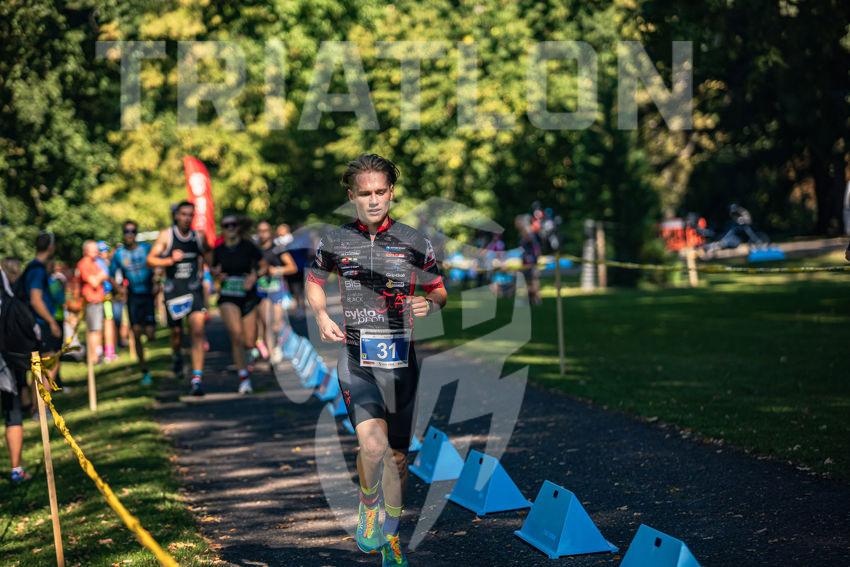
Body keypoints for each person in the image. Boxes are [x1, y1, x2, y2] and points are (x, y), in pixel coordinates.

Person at [306, 154, 447, 566]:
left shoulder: (413, 241)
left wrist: (429, 303)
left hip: (402, 363)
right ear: (352, 195)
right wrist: (321, 315)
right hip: (357, 358)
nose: (373, 200)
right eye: (365, 193)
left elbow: (439, 291)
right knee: (372, 446)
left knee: (398, 459)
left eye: (380, 192)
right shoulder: (336, 240)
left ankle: (392, 538)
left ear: (391, 193)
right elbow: (313, 281)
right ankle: (369, 504)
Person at [148, 201, 208, 395]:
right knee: (176, 333)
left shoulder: (198, 237)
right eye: (183, 214)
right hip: (174, 292)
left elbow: (210, 256)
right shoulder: (167, 235)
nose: (187, 218)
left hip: (194, 290)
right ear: (176, 216)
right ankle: (177, 356)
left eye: (190, 214)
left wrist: (214, 269)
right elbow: (150, 259)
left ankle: (197, 380)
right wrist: (169, 260)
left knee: (197, 332)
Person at [210, 214, 265, 394]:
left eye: (233, 224)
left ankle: (249, 355)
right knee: (236, 336)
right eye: (226, 225)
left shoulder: (248, 246)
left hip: (247, 295)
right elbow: (213, 269)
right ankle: (244, 379)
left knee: (249, 341)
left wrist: (254, 276)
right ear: (222, 229)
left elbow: (264, 266)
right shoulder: (218, 250)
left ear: (238, 227)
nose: (230, 228)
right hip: (228, 296)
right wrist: (217, 274)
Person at [111, 220, 156, 385]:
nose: (129, 234)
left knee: (150, 334)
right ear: (123, 234)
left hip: (148, 295)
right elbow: (110, 275)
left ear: (136, 233)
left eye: (132, 231)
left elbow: (157, 264)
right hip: (133, 297)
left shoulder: (146, 249)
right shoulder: (119, 254)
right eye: (126, 231)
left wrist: (157, 280)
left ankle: (148, 330)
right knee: (136, 333)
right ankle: (145, 371)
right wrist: (119, 288)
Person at [1, 266, 35, 484]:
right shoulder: (9, 300)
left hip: (6, 366)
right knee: (12, 413)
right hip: (5, 366)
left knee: (12, 411)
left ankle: (16, 470)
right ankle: (16, 469)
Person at [21, 232, 64, 387]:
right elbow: (36, 299)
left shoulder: (32, 267)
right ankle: (41, 402)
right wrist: (51, 322)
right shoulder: (37, 270)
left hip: (35, 322)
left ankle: (37, 401)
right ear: (50, 247)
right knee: (49, 363)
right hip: (39, 323)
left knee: (40, 366)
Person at [256, 221, 297, 358]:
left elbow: (293, 267)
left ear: (270, 232)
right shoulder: (255, 249)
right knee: (265, 322)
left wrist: (277, 270)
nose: (263, 234)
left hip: (276, 290)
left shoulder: (278, 249)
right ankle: (270, 352)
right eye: (260, 231)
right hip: (261, 291)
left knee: (276, 323)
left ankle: (278, 345)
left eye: (265, 230)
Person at [77, 240, 109, 370]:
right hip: (91, 301)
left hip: (98, 300)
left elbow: (104, 275)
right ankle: (94, 358)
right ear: (86, 251)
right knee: (93, 330)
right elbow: (94, 282)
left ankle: (97, 355)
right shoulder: (84, 264)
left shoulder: (95, 262)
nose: (96, 251)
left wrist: (100, 276)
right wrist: (100, 275)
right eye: (93, 249)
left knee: (98, 329)